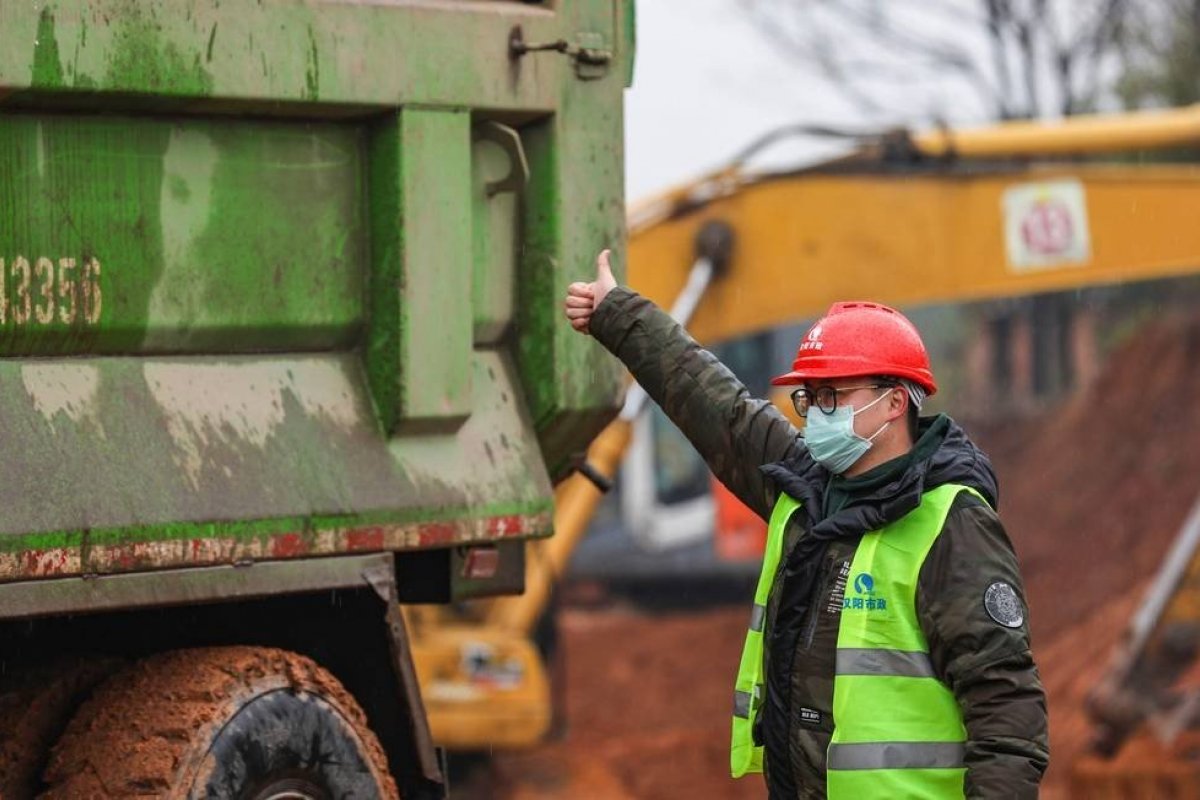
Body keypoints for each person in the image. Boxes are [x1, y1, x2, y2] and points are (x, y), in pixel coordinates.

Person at [564, 250, 1049, 799]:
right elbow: (714, 402)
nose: (815, 413)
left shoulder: (952, 524)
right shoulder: (804, 491)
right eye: (810, 398)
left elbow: (1004, 706)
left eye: (833, 397)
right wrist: (619, 314)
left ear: (894, 402)